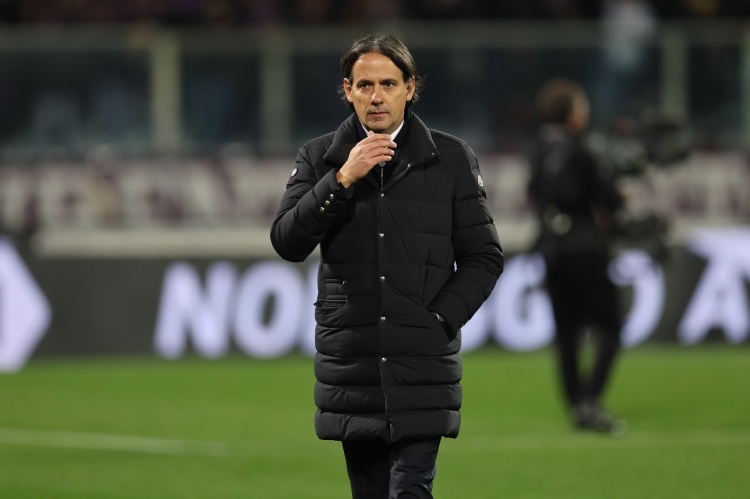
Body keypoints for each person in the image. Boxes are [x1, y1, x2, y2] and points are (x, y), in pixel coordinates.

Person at [270, 33, 503, 498]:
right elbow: (287, 242)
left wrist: (438, 320)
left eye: (388, 84)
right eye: (364, 85)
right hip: (352, 364)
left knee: (411, 490)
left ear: (410, 88)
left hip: (422, 363)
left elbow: (484, 256)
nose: (376, 96)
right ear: (348, 90)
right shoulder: (320, 157)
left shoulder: (451, 157)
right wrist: (341, 179)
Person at [526, 78, 627, 436]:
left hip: (551, 249)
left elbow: (533, 193)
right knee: (610, 325)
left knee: (566, 330)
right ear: (572, 114)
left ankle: (575, 403)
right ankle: (590, 399)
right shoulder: (581, 149)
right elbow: (608, 199)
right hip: (584, 248)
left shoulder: (538, 149)